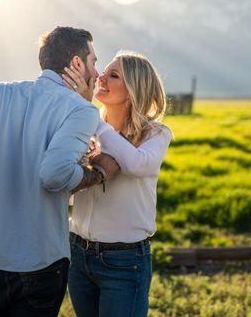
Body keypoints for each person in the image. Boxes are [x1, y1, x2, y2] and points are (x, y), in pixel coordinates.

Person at [0, 26, 120, 317]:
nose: (96, 73)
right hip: (40, 261)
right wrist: (96, 173)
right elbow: (54, 174)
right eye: (93, 62)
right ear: (76, 63)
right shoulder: (82, 110)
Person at [61, 51, 173, 317]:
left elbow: (135, 164)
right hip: (78, 253)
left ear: (134, 88)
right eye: (104, 72)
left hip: (124, 261)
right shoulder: (88, 127)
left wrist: (91, 119)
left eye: (114, 75)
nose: (101, 77)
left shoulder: (155, 133)